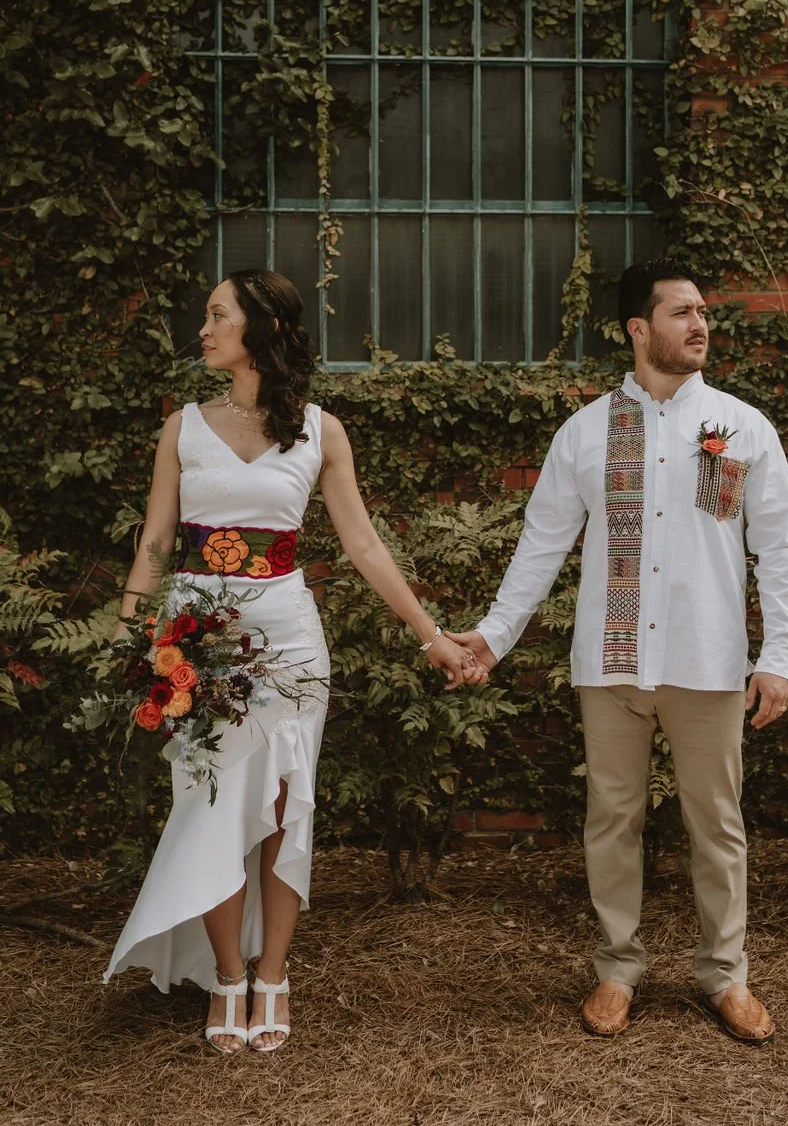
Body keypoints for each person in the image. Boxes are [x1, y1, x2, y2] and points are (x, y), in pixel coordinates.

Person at [104, 269, 485, 1054]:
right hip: (197, 645)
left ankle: (273, 972)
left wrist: (432, 634)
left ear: (262, 329)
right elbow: (155, 540)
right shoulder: (182, 426)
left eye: (217, 316)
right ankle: (225, 973)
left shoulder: (321, 429)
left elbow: (365, 544)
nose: (203, 330)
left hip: (289, 641)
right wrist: (128, 636)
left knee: (280, 814)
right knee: (207, 805)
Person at [450, 257, 788, 1045]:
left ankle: (725, 973)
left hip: (709, 662)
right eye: (682, 312)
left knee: (717, 822)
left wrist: (778, 652)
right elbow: (540, 547)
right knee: (611, 817)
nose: (701, 324)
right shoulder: (582, 433)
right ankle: (618, 967)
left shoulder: (743, 428)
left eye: (704, 310)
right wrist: (494, 634)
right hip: (609, 665)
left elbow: (781, 548)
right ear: (639, 328)